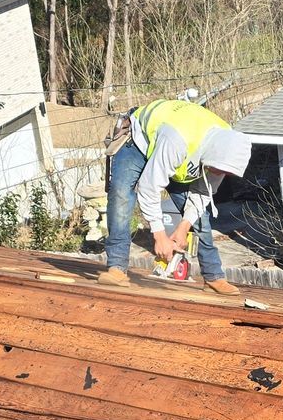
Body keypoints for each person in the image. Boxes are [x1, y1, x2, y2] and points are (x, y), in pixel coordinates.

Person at [97, 97, 252, 294]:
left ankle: (213, 276)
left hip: (180, 158)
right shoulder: (177, 141)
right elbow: (148, 187)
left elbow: (202, 194)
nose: (219, 175)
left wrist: (182, 228)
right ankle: (117, 269)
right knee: (121, 197)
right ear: (212, 156)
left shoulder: (227, 150)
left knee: (200, 217)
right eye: (217, 170)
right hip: (139, 141)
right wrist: (160, 235)